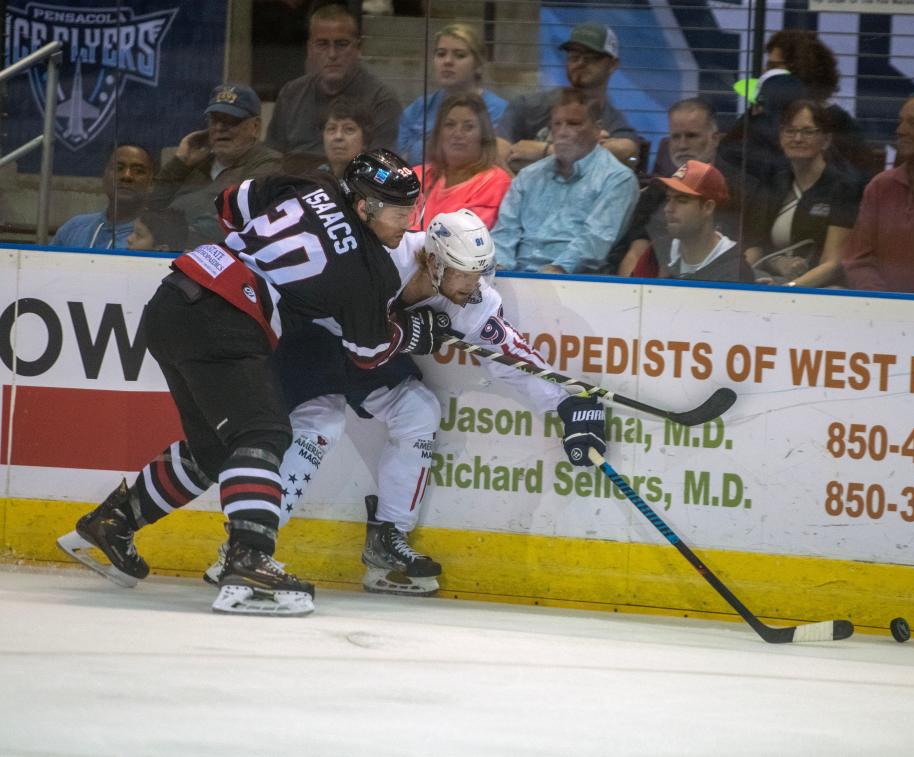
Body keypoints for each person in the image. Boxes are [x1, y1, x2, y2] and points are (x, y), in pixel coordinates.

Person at [56, 149, 455, 617]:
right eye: (400, 212)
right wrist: (414, 333)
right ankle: (248, 557)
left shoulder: (311, 185)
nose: (408, 223)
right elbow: (368, 353)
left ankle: (114, 521)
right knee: (263, 434)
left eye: (413, 209)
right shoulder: (369, 270)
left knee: (214, 448)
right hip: (224, 318)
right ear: (365, 206)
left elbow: (227, 205)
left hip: (173, 298)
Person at [202, 209, 608, 596]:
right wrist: (403, 330)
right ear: (433, 261)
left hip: (368, 353)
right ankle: (243, 552)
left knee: (417, 409)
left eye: (479, 273)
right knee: (319, 424)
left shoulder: (473, 299)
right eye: (464, 274)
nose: (474, 284)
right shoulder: (386, 255)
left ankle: (386, 538)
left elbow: (506, 351)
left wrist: (565, 403)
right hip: (310, 339)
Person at [492, 89, 639, 274]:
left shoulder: (617, 179)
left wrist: (554, 271)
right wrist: (500, 269)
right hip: (514, 278)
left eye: (573, 124)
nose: (562, 132)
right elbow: (504, 232)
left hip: (576, 285)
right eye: (557, 124)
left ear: (597, 129)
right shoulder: (528, 176)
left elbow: (594, 242)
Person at [719, 30, 874, 184]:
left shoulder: (837, 123)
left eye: (774, 68)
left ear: (800, 73)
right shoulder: (762, 115)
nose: (765, 74)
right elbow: (726, 157)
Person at [843, 92, 914, 294]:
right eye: (900, 122)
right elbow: (858, 260)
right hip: (877, 312)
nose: (900, 130)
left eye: (913, 123)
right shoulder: (880, 186)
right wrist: (882, 301)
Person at [614, 98, 741, 277]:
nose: (682, 145)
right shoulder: (655, 191)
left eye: (691, 136)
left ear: (714, 139)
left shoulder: (741, 187)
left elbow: (747, 252)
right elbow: (635, 253)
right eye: (675, 136)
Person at [743, 100, 861, 288]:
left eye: (808, 131)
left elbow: (832, 264)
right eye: (790, 131)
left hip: (817, 289)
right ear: (781, 136)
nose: (797, 138)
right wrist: (742, 281)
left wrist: (789, 289)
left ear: (826, 140)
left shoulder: (844, 187)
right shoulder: (772, 181)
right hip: (768, 281)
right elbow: (754, 247)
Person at [150, 84, 281, 246]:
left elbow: (231, 220)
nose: (219, 128)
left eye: (231, 121)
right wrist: (180, 163)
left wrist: (165, 235)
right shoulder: (195, 164)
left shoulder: (268, 164)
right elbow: (151, 207)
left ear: (255, 127)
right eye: (214, 120)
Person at [497, 23, 640, 172]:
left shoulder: (611, 120)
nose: (580, 63)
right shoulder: (527, 106)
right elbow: (498, 152)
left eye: (591, 58)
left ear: (612, 65)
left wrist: (546, 151)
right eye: (574, 56)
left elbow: (628, 153)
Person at [266, 4, 402, 156]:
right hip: (292, 179)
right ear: (310, 49)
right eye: (322, 44)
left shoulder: (382, 101)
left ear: (359, 49)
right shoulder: (291, 94)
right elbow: (272, 160)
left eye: (341, 44)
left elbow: (381, 170)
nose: (332, 54)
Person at [396, 23, 508, 166]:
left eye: (459, 55)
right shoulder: (418, 108)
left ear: (478, 65)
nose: (447, 61)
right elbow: (401, 162)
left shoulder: (500, 111)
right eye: (441, 54)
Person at [413, 92, 512, 230]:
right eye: (450, 125)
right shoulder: (417, 175)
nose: (457, 133)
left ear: (483, 136)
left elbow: (465, 237)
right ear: (438, 133)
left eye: (468, 127)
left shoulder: (495, 181)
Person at [655, 161, 754, 282]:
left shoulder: (735, 272)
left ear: (708, 207)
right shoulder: (658, 252)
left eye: (681, 200)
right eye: (668, 199)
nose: (668, 208)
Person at [52, 145, 154, 249]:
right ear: (104, 176)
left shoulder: (157, 237)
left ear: (151, 183)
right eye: (118, 168)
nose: (126, 176)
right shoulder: (73, 228)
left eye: (138, 171)